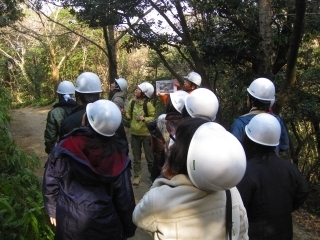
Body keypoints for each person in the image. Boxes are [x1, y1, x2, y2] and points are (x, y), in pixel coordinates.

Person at [133, 118, 249, 239]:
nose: (172, 147)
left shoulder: (158, 199)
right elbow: (242, 233)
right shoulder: (231, 192)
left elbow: (138, 218)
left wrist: (162, 178)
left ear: (183, 155)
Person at [43, 99, 137, 240]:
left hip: (70, 223)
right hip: (107, 227)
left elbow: (51, 183)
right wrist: (129, 228)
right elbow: (125, 198)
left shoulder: (66, 147)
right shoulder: (118, 157)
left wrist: (52, 211)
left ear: (85, 119)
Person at [237, 113, 309, 240]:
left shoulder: (245, 172)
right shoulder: (290, 168)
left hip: (255, 234)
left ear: (249, 140)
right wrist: (284, 209)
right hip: (285, 232)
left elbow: (239, 208)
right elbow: (303, 191)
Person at [230, 77, 289, 154]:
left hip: (248, 165)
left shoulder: (240, 123)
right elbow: (284, 146)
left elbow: (234, 150)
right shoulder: (277, 120)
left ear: (252, 100)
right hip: (273, 165)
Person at [124, 81, 155, 186]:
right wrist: (124, 114)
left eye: (138, 89)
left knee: (150, 158)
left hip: (146, 135)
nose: (136, 90)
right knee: (136, 158)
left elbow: (153, 118)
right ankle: (137, 176)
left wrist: (144, 118)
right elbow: (128, 116)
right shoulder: (132, 103)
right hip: (134, 134)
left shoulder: (148, 105)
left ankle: (152, 176)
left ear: (144, 93)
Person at [59, 72, 102, 138]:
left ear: (77, 96)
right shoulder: (111, 116)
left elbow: (63, 146)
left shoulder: (68, 121)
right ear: (99, 94)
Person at [44, 80, 77, 154]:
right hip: (80, 150)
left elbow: (50, 137)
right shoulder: (80, 109)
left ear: (59, 95)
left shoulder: (54, 113)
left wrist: (51, 153)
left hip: (63, 149)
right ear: (73, 94)